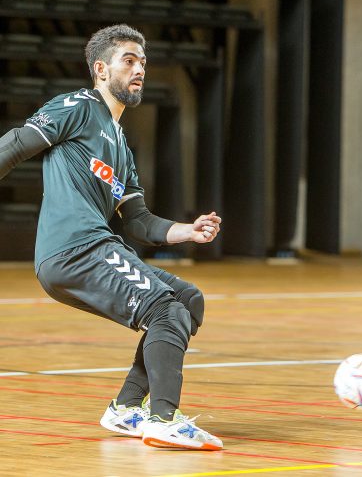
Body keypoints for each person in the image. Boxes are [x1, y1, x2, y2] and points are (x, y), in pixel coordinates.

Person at [0, 24, 223, 450]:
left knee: (187, 300)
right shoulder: (77, 106)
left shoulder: (121, 144)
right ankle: (163, 419)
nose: (140, 68)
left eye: (143, 62)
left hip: (97, 248)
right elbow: (13, 146)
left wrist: (188, 232)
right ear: (101, 69)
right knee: (165, 311)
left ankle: (125, 409)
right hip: (77, 248)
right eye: (129, 60)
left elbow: (138, 222)